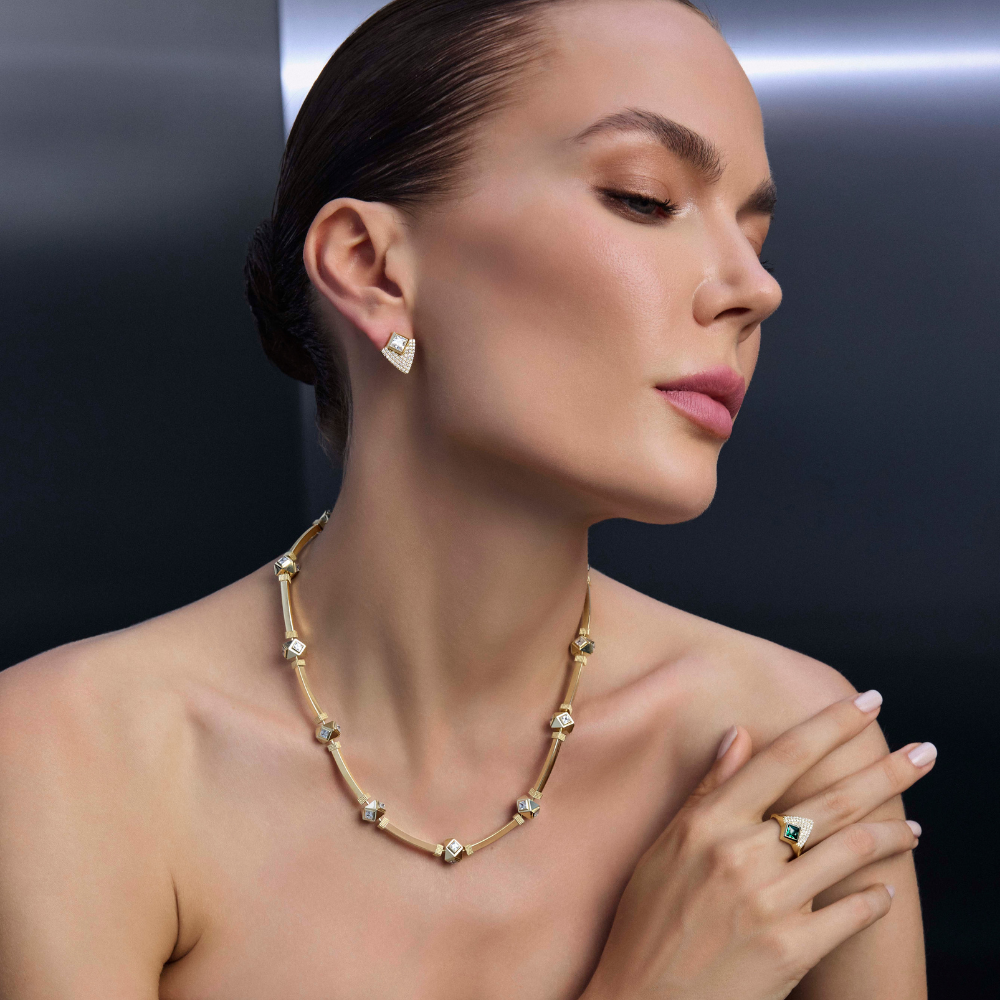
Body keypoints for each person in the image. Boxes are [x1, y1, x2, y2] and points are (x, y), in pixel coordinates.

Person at [0, 0, 934, 996]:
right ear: (372, 269)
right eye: (644, 198)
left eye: (754, 232)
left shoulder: (791, 751)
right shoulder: (70, 758)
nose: (756, 289)